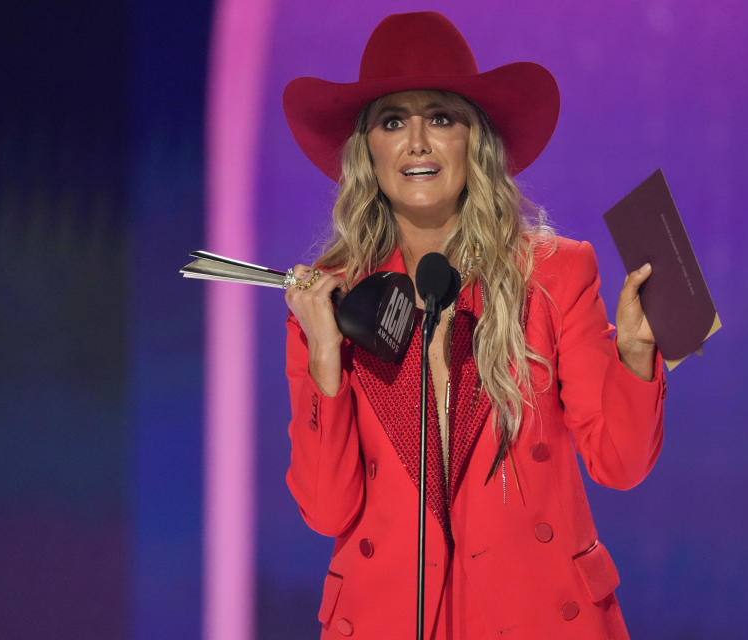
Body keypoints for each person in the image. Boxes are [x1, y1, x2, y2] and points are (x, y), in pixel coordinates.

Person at [281, 11, 665, 640]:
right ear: (367, 151)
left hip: (540, 616)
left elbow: (619, 464)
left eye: (440, 118)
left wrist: (634, 353)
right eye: (393, 121)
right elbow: (326, 510)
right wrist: (325, 354)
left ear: (475, 140)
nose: (418, 143)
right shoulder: (330, 298)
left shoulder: (557, 274)